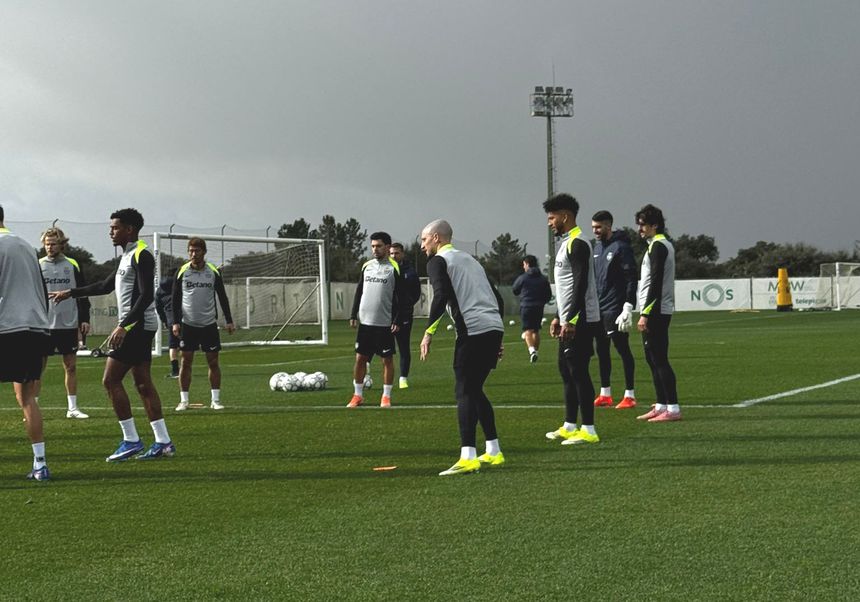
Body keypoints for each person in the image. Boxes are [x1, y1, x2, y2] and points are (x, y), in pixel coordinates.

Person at [51, 208, 175, 461]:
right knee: (142, 383)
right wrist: (70, 293)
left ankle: (131, 439)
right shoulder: (127, 256)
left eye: (115, 227)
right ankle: (163, 441)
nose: (110, 232)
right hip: (139, 326)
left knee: (110, 381)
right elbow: (105, 286)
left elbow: (146, 295)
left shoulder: (142, 254)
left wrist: (124, 326)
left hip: (136, 327)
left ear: (129, 229)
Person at [419, 219, 505, 476]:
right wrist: (497, 337)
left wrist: (428, 331)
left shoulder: (437, 261)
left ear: (436, 238)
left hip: (473, 330)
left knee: (464, 390)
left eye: (424, 239)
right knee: (475, 390)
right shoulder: (471, 260)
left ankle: (468, 455)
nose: (422, 245)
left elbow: (441, 294)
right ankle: (494, 450)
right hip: (493, 327)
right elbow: (497, 297)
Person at [542, 193, 602, 446]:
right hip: (569, 318)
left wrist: (573, 320)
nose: (550, 223)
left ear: (565, 216)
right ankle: (569, 425)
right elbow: (566, 288)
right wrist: (558, 316)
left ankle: (588, 429)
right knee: (566, 371)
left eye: (552, 217)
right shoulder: (566, 243)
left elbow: (580, 284)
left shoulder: (578, 243)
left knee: (578, 372)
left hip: (582, 320)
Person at [0, 205, 52, 480]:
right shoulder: (26, 246)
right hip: (36, 327)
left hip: (7, 327)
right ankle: (40, 464)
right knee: (28, 398)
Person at [171, 238, 235, 411]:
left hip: (209, 324)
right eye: (190, 251)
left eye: (197, 251)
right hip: (188, 325)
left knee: (213, 362)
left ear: (204, 252)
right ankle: (184, 400)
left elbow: (222, 297)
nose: (193, 254)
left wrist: (229, 320)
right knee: (186, 362)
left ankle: (215, 400)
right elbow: (175, 300)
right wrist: (175, 322)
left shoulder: (213, 272)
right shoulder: (182, 271)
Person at [36, 227, 92, 419]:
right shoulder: (37, 265)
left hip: (68, 323)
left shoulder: (72, 264)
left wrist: (85, 318)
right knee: (38, 368)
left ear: (62, 244)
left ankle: (72, 408)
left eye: (53, 243)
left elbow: (82, 292)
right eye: (47, 243)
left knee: (70, 366)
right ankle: (33, 407)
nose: (49, 247)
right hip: (44, 324)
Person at [634, 204, 681, 422]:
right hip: (655, 309)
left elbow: (655, 281)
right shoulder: (656, 245)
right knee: (651, 358)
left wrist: (646, 313)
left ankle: (673, 408)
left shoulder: (659, 247)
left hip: (657, 311)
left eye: (643, 225)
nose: (640, 229)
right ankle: (662, 404)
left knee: (659, 358)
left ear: (655, 225)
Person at [348, 232, 405, 408]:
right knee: (360, 359)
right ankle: (358, 395)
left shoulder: (394, 268)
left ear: (387, 247)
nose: (375, 249)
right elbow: (359, 291)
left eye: (378, 246)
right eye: (373, 246)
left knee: (386, 360)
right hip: (365, 323)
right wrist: (353, 314)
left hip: (384, 323)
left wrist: (397, 319)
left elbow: (401, 297)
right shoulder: (367, 266)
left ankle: (386, 396)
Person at [591, 211, 639, 409]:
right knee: (601, 350)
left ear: (608, 226)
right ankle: (605, 393)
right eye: (593, 227)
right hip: (599, 308)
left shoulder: (621, 248)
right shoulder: (596, 248)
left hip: (615, 308)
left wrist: (628, 306)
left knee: (622, 349)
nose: (595, 231)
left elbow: (630, 278)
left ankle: (630, 394)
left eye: (598, 227)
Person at [389, 242, 421, 388]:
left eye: (396, 253)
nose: (393, 256)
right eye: (391, 253)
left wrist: (404, 309)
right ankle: (367, 376)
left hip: (404, 316)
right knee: (377, 346)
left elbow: (415, 295)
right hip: (386, 316)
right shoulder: (385, 269)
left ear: (402, 254)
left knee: (403, 347)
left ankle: (403, 378)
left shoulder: (410, 272)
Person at [512, 254, 552, 363]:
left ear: (527, 264)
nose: (523, 267)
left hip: (526, 307)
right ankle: (536, 352)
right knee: (536, 330)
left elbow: (515, 289)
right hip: (539, 307)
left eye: (524, 264)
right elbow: (548, 295)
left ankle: (531, 351)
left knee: (527, 330)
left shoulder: (523, 278)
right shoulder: (543, 278)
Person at [155, 268, 180, 378]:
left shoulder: (160, 290)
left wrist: (164, 320)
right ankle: (185, 369)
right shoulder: (179, 286)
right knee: (186, 346)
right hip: (184, 318)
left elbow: (158, 307)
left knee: (172, 346)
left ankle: (175, 371)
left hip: (170, 320)